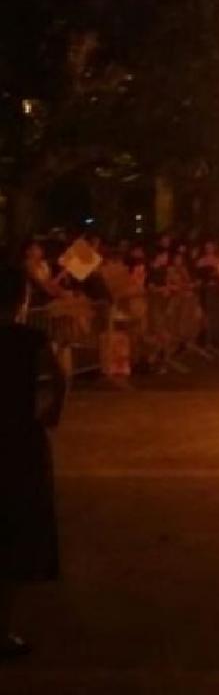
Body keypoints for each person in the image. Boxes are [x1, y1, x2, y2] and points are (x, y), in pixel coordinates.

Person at [0, 265, 67, 658]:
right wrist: (53, 412)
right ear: (22, 299)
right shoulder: (29, 338)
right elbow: (59, 377)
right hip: (19, 441)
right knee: (14, 535)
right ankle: (3, 631)